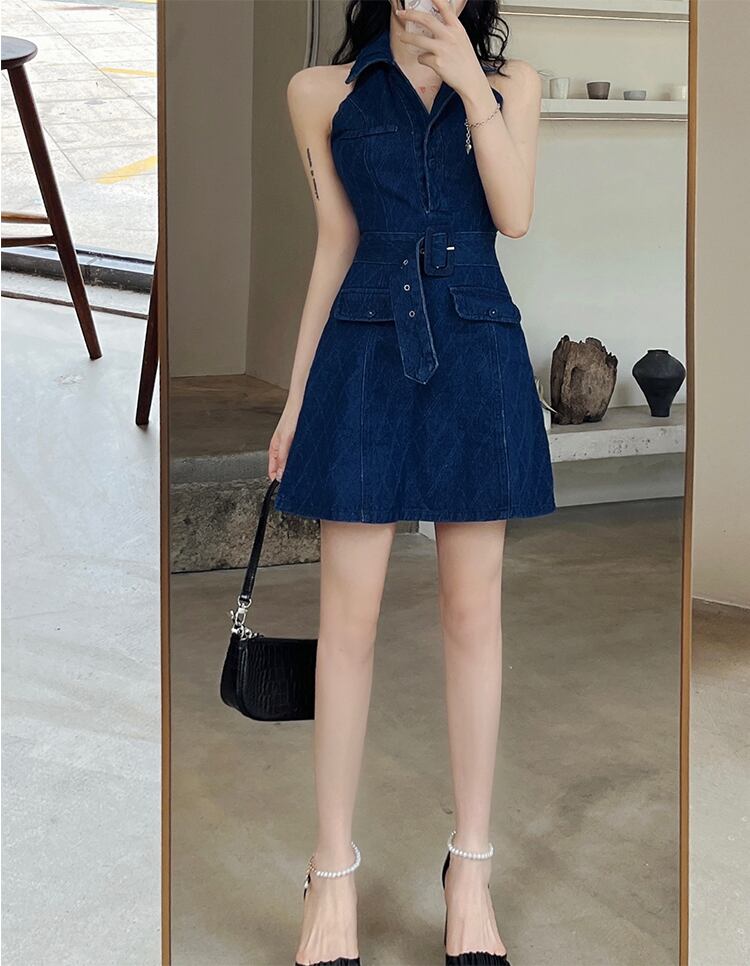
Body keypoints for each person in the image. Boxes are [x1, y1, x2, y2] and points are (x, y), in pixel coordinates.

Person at [268, 2, 555, 963]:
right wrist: (295, 398)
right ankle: (330, 875)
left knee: (474, 615)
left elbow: (513, 215)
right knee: (346, 623)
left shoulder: (515, 88)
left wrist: (471, 82)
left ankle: (470, 871)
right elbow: (335, 243)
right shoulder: (321, 92)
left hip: (477, 351)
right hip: (361, 354)